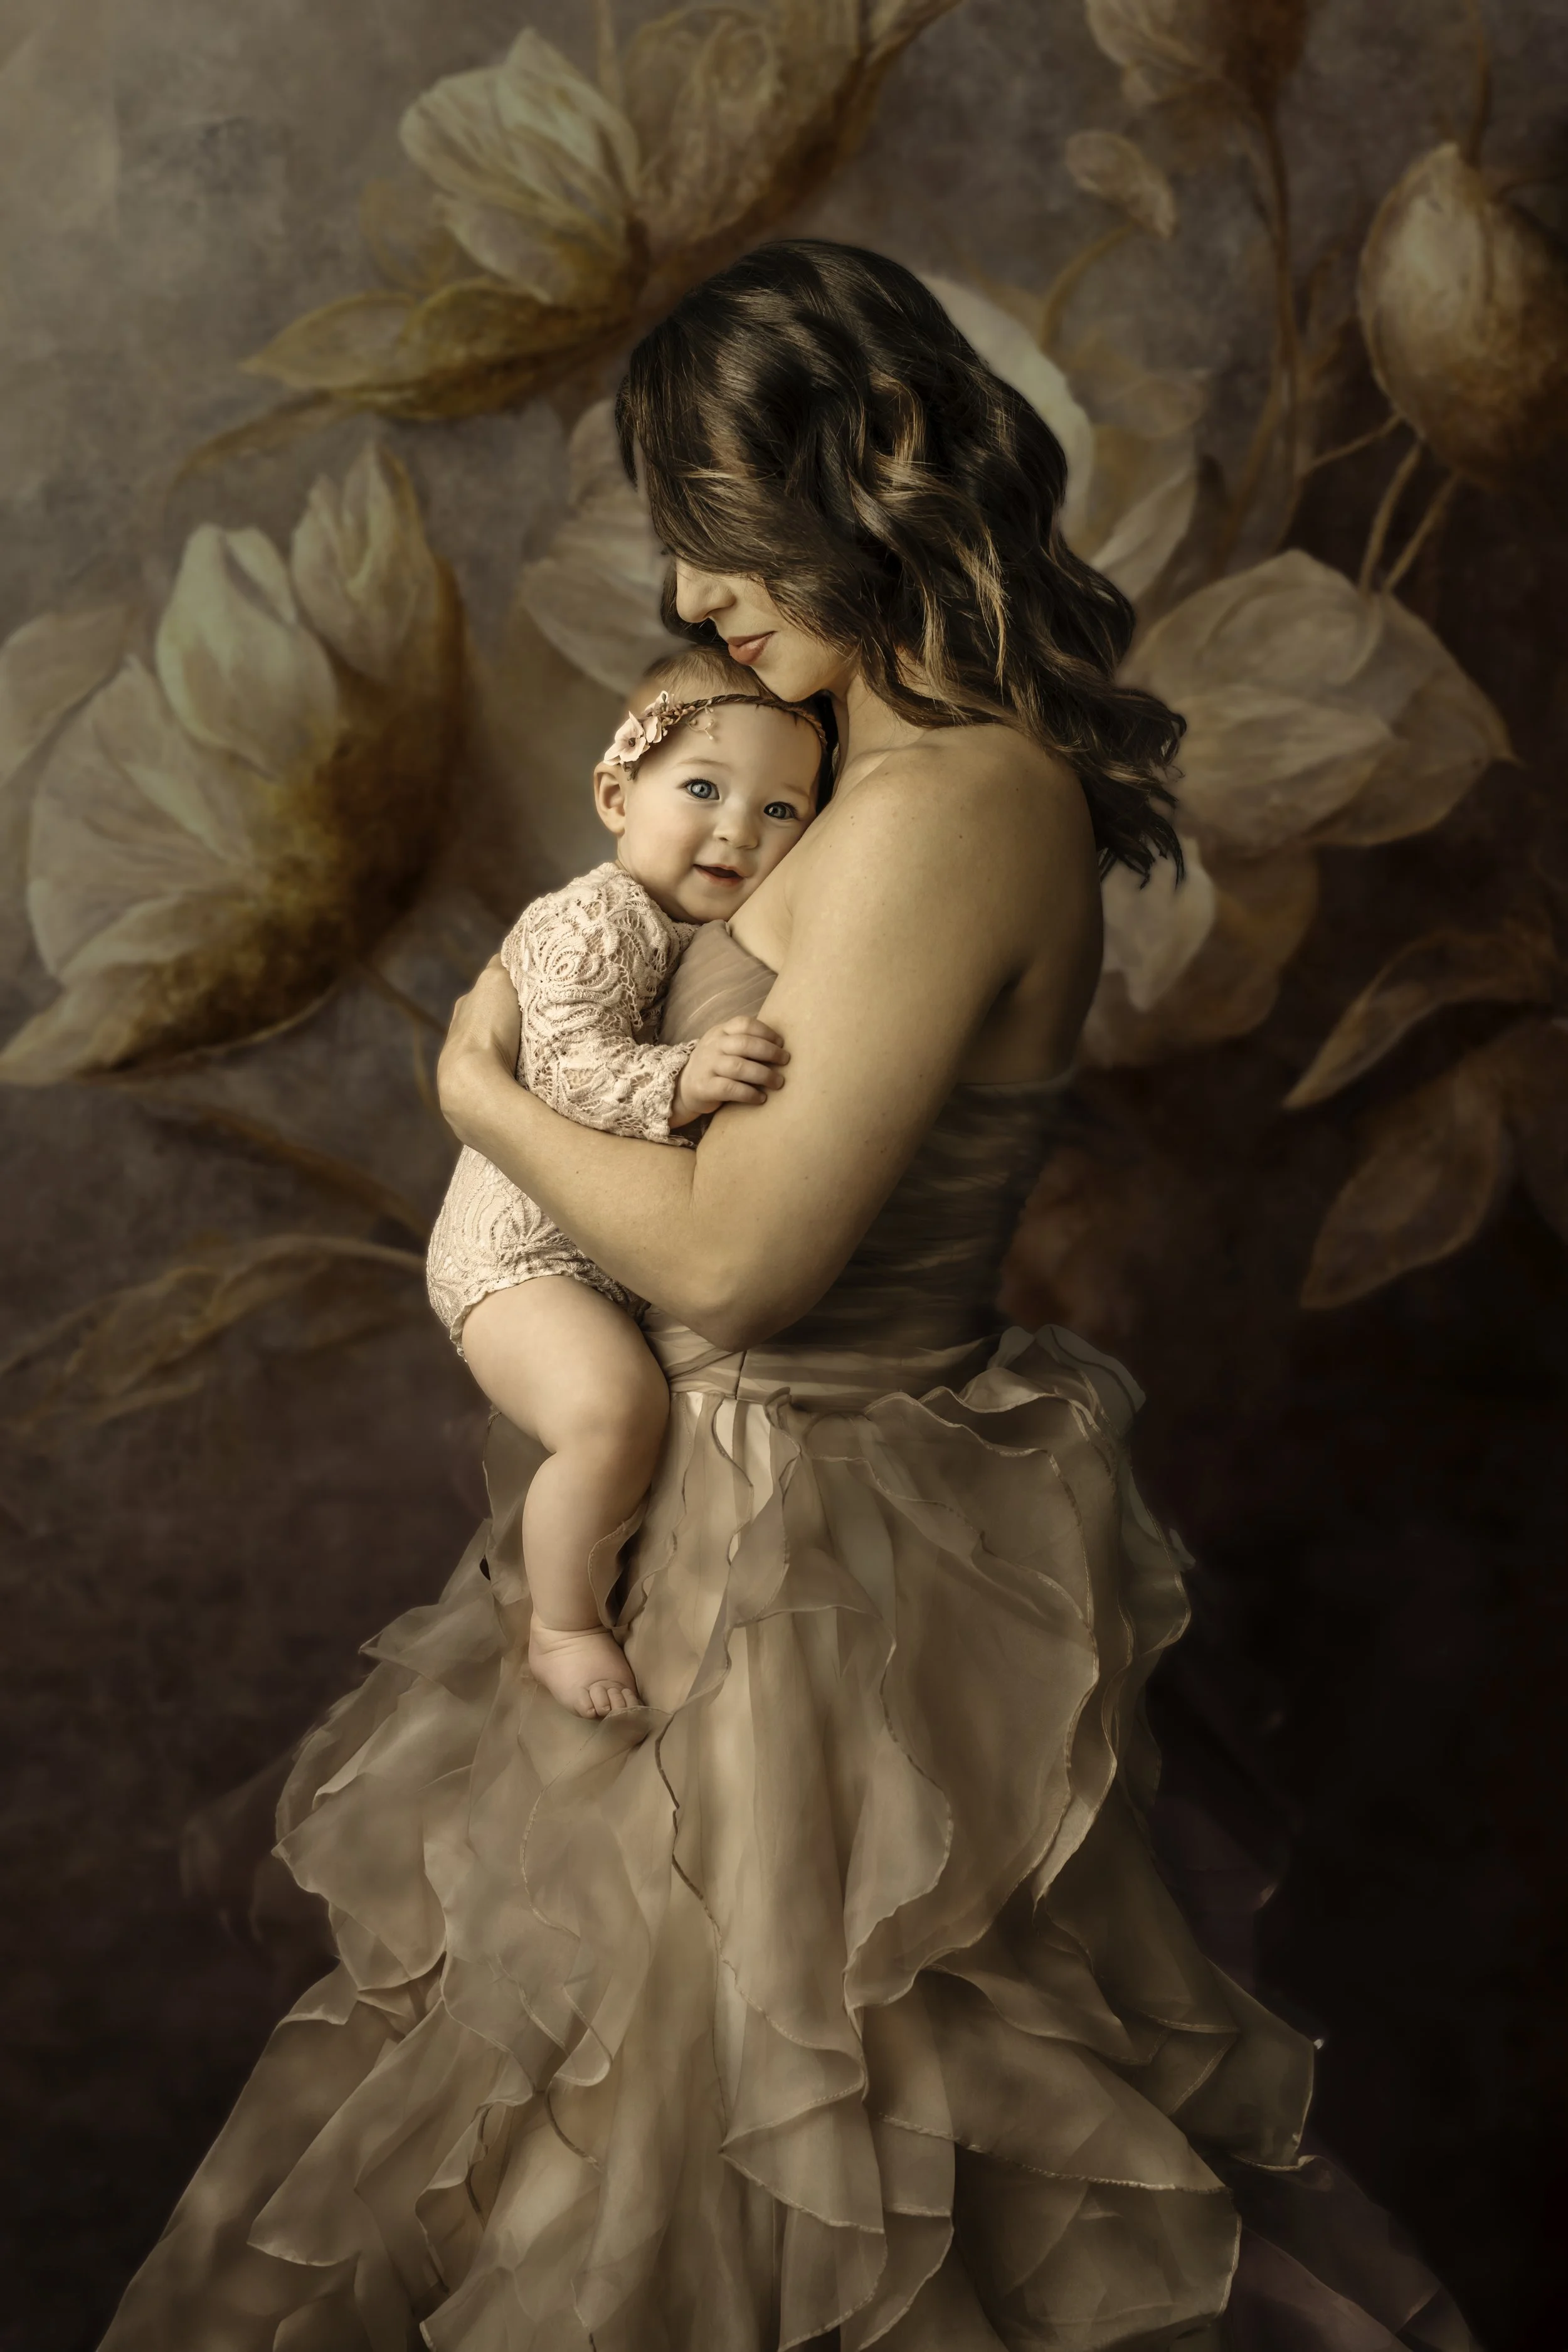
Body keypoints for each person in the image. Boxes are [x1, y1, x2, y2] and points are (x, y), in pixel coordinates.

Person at [100, 241, 1475, 2351]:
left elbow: (742, 1254)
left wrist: (475, 1084)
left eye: (715, 526)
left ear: (875, 474)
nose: (686, 591)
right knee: (606, 2127)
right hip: (737, 1530)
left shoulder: (958, 805)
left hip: (815, 1559)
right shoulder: (861, 784)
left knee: (783, 2147)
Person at [425, 645, 827, 1719]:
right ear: (616, 792)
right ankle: (561, 1622)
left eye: (782, 809)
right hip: (516, 1254)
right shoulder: (593, 919)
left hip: (594, 1248)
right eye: (702, 788)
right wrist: (687, 1074)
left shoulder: (685, 927)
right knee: (611, 1410)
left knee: (640, 1420)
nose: (739, 829)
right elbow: (564, 1071)